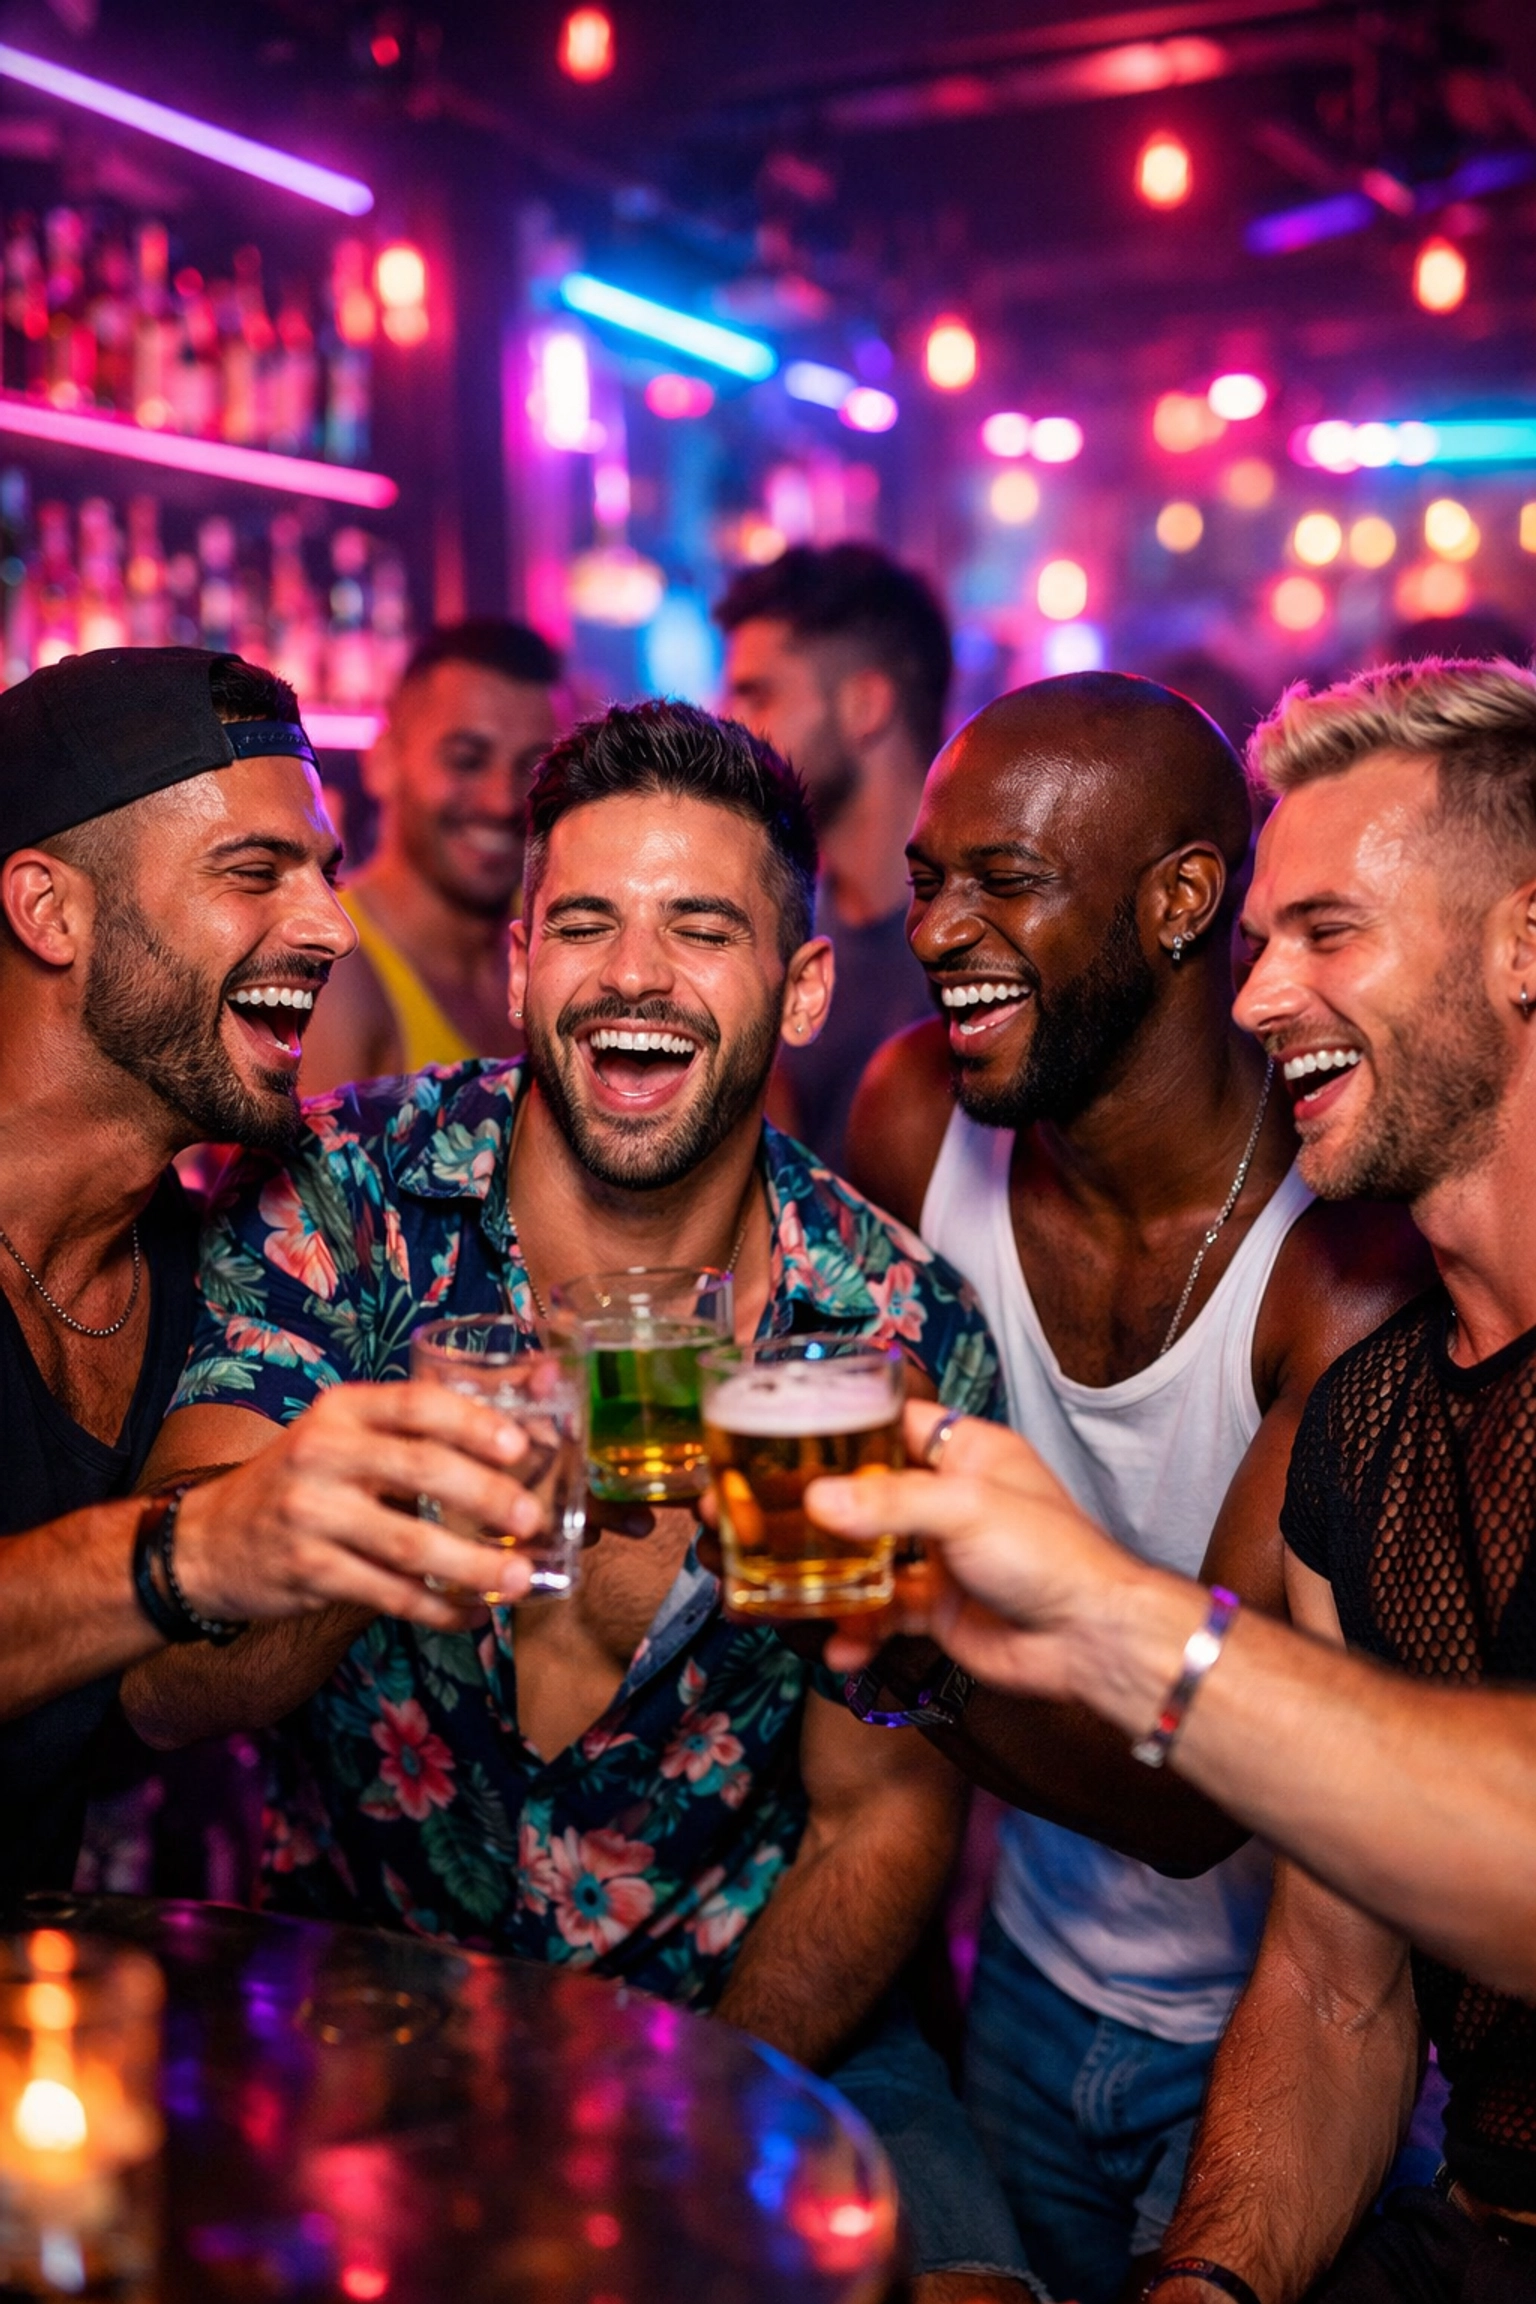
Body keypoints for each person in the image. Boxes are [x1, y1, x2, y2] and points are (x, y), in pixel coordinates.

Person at [124, 700, 1036, 2304]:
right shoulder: (335, 1201)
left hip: (751, 2012)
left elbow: (879, 1817)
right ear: (519, 965)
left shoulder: (886, 1333)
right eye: (589, 924)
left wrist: (680, 2110)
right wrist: (409, 1495)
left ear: (803, 988)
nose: (635, 976)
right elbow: (174, 1686)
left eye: (703, 928)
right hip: (365, 2002)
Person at [827, 656, 1536, 2303]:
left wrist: (1088, 1619)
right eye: (1264, 936)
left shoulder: (1329, 1297)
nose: (1252, 990)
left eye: (1325, 933)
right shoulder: (1383, 1412)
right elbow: (1337, 1982)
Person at [0, 645, 574, 1914]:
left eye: (321, 869)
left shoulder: (216, 1252)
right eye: (256, 873)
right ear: (51, 912)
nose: (331, 926)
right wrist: (193, 1547)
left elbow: (173, 1711)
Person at [717, 542, 950, 1168]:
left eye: (756, 695)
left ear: (863, 707)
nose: (725, 720)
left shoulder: (985, 937)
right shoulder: (777, 934)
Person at [300, 618, 563, 1094]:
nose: (503, 800)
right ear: (383, 763)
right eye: (466, 760)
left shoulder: (554, 948)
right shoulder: (333, 975)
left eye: (535, 768)